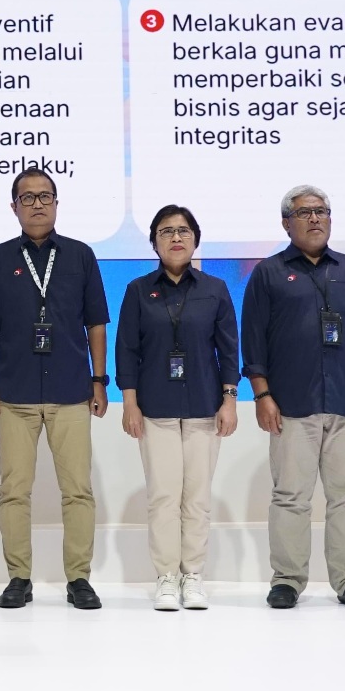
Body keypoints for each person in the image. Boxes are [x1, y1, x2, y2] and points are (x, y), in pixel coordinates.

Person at [242, 185, 345, 611]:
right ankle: (287, 580)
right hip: (291, 403)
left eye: (321, 211)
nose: (315, 219)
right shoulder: (268, 273)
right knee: (290, 496)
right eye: (305, 212)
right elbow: (254, 341)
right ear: (286, 223)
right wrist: (262, 395)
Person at [0, 168, 110, 610]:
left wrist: (99, 380)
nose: (37, 204)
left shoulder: (80, 255)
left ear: (56, 203)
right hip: (14, 394)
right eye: (27, 197)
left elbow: (95, 322)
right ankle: (19, 577)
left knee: (78, 490)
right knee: (14, 490)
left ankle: (79, 579)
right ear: (13, 206)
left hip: (72, 391)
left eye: (45, 196)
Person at [116, 204, 238, 611]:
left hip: (205, 405)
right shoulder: (138, 290)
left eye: (183, 231)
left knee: (197, 497)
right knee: (164, 495)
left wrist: (230, 399)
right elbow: (127, 349)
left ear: (195, 239)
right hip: (154, 407)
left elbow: (228, 349)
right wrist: (130, 402)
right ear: (154, 242)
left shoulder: (215, 289)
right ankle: (166, 576)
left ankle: (193, 575)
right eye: (166, 231)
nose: (176, 238)